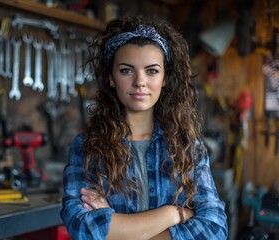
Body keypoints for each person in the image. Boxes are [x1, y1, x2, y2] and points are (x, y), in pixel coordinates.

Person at [61, 15, 228, 240]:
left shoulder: (188, 146)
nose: (140, 81)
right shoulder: (86, 147)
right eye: (126, 70)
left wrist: (119, 230)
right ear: (111, 78)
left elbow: (214, 229)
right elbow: (84, 228)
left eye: (151, 71)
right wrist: (175, 214)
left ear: (165, 78)